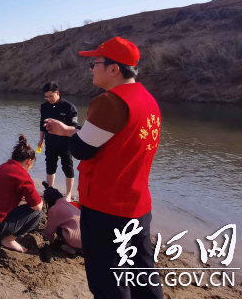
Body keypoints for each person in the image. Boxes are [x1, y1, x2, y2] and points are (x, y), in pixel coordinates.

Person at [45, 37, 163, 299]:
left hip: (106, 209)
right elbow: (111, 139)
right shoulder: (147, 100)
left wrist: (69, 135)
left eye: (94, 63)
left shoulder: (109, 102)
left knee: (108, 283)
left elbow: (81, 150)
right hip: (138, 205)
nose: (91, 68)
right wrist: (70, 130)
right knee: (143, 276)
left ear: (113, 69)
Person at [37, 82, 79, 202]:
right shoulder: (44, 106)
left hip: (66, 143)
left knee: (68, 166)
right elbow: (42, 124)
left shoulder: (69, 107)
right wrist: (40, 139)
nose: (49, 99)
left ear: (57, 93)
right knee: (50, 166)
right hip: (50, 142)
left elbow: (75, 128)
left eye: (51, 96)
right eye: (46, 97)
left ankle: (68, 194)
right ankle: (49, 191)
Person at [42, 186, 82, 255]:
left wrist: (51, 241)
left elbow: (49, 230)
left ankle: (71, 248)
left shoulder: (54, 209)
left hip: (76, 243)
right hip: (89, 242)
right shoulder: (69, 204)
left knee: (57, 226)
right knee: (65, 222)